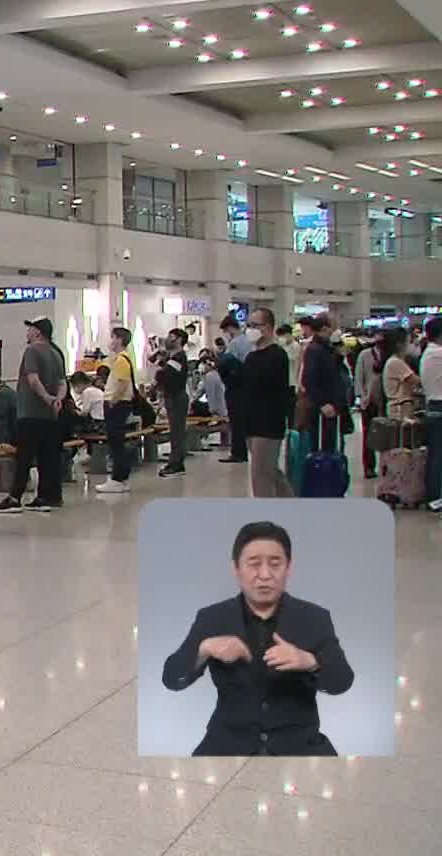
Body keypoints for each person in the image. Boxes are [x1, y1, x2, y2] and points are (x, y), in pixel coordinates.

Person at [160, 521, 353, 755]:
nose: (265, 575)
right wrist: (204, 649)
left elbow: (342, 682)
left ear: (289, 567)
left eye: (275, 564)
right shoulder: (212, 618)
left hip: (299, 743)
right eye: (253, 564)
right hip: (227, 742)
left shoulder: (314, 618)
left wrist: (310, 661)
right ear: (236, 568)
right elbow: (171, 678)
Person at [0, 318, 67, 513]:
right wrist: (57, 400)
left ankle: (14, 497)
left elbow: (33, 380)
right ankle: (49, 496)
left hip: (31, 412)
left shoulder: (32, 351)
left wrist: (47, 398)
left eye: (30, 330)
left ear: (37, 333)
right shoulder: (56, 353)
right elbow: (62, 382)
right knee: (48, 456)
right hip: (51, 415)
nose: (27, 333)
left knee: (24, 455)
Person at [242, 308, 294, 499]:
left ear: (269, 327)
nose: (251, 329)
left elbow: (269, 388)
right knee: (270, 471)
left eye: (255, 325)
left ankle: (264, 518)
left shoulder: (277, 355)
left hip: (268, 423)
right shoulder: (251, 356)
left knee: (260, 476)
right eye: (249, 325)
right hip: (251, 422)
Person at [300, 314, 350, 463]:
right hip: (322, 409)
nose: (337, 331)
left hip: (333, 406)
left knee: (332, 447)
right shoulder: (315, 350)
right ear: (325, 329)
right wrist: (322, 403)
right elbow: (309, 379)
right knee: (322, 449)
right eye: (334, 328)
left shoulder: (328, 348)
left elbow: (343, 357)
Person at [95, 327, 137, 495]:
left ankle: (117, 478)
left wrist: (113, 401)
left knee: (116, 442)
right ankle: (121, 477)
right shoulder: (123, 359)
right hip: (120, 404)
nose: (110, 341)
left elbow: (122, 383)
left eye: (112, 337)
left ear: (119, 339)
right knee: (117, 442)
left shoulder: (121, 360)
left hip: (117, 405)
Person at [154, 328, 192, 477]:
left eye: (171, 337)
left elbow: (165, 375)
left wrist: (159, 375)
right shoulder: (172, 357)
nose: (168, 339)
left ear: (179, 340)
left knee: (177, 432)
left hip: (177, 398)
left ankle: (176, 463)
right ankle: (175, 461)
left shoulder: (179, 358)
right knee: (175, 431)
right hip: (173, 397)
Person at [218, 316, 252, 463]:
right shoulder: (248, 341)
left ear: (231, 328)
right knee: (243, 421)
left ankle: (238, 453)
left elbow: (226, 365)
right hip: (247, 387)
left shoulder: (234, 343)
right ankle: (242, 451)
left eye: (226, 330)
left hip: (235, 388)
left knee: (236, 421)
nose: (226, 333)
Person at [356, 330, 388, 478]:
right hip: (369, 402)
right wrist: (362, 397)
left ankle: (386, 466)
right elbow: (359, 377)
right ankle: (368, 467)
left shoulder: (390, 356)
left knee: (387, 436)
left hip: (386, 401)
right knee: (368, 436)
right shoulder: (365, 355)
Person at [422, 317, 442, 512]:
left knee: (435, 454)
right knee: (438, 456)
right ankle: (435, 497)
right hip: (439, 406)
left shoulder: (429, 352)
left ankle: (433, 495)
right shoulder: (438, 353)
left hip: (432, 406)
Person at [381, 328, 420, 422]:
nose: (412, 345)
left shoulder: (397, 361)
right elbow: (417, 381)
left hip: (402, 410)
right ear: (399, 344)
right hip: (399, 411)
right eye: (409, 341)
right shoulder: (395, 362)